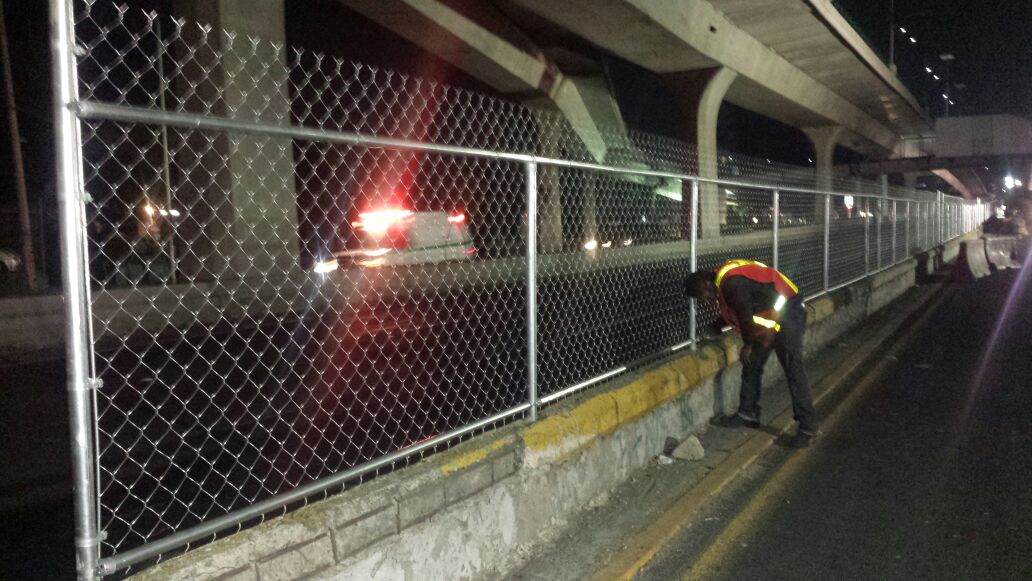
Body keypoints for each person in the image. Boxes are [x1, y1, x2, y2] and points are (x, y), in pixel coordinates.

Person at [685, 260, 817, 448]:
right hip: (773, 317)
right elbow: (737, 309)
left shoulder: (731, 284)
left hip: (789, 314)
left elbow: (745, 316)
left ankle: (807, 427)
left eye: (703, 295)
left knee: (792, 368)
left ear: (706, 284)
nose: (705, 300)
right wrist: (715, 326)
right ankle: (748, 413)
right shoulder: (723, 281)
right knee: (752, 363)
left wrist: (748, 345)